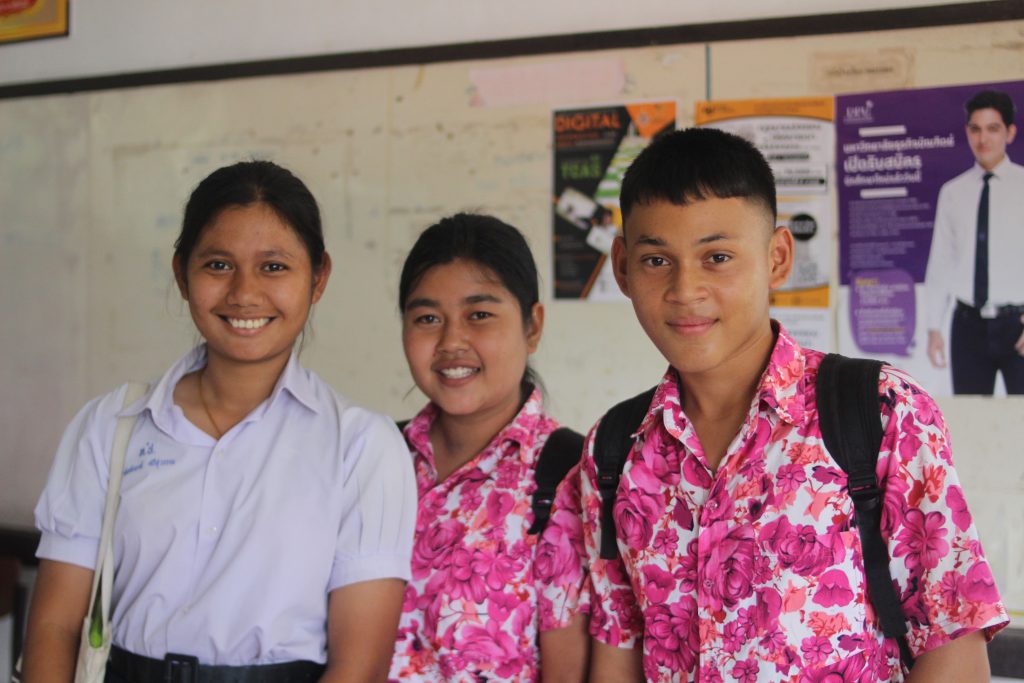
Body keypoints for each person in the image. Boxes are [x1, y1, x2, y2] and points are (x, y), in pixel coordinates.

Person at [545, 128, 1008, 682]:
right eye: (656, 260)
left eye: (717, 257)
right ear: (622, 266)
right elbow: (619, 647)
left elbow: (952, 643)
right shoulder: (615, 448)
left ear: (778, 258)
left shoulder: (881, 411)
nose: (685, 289)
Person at [22, 161, 417, 683]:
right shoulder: (111, 426)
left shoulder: (361, 446)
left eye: (273, 266)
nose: (243, 293)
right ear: (181, 274)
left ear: (318, 277)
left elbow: (358, 668)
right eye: (218, 265)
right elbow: (53, 626)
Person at [388, 213, 589, 682]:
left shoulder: (568, 477)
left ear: (532, 326)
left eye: (479, 315)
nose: (451, 341)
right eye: (427, 318)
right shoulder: (376, 458)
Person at [924, 88, 1024, 394]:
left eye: (993, 129)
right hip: (968, 327)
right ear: (967, 132)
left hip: (1017, 325)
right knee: (968, 415)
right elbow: (941, 261)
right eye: (976, 129)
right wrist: (933, 327)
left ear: (1009, 132)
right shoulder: (953, 192)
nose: (983, 139)